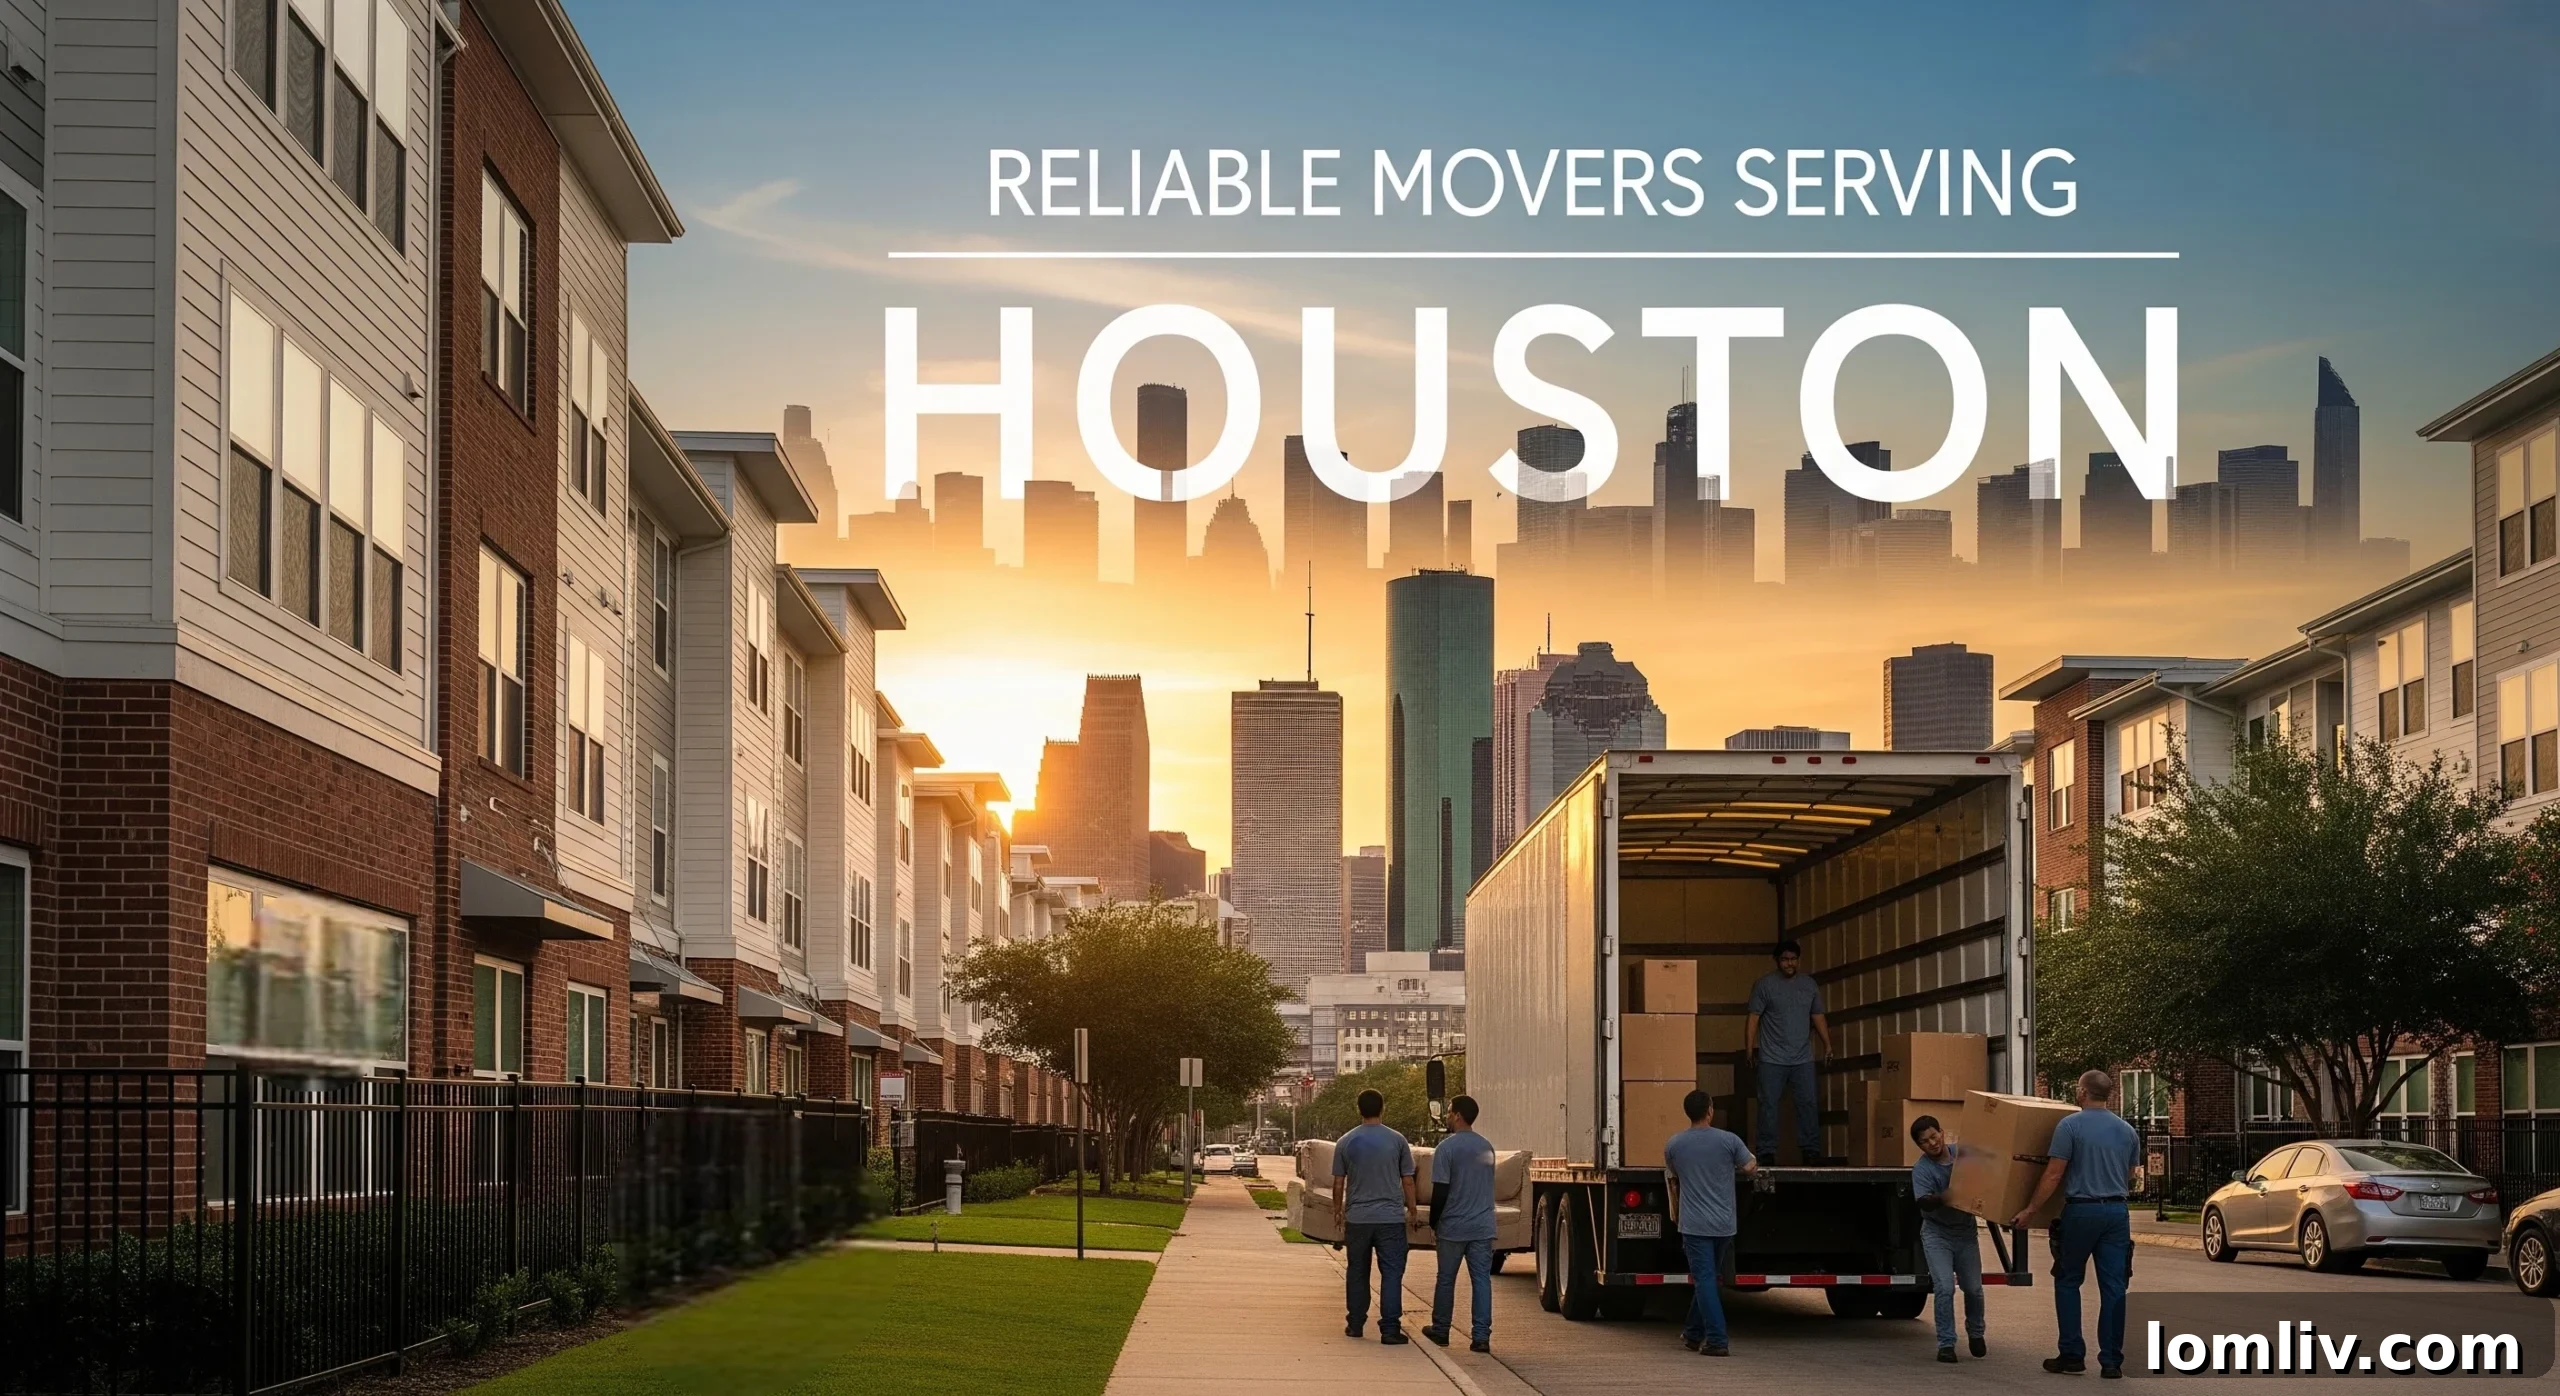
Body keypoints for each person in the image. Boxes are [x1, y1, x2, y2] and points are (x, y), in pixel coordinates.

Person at [2013, 1069, 2139, 1379]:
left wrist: (2030, 1210)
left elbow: (2054, 1174)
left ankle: (2071, 1354)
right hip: (2116, 1213)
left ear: (2083, 1092)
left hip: (2082, 1212)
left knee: (2068, 1280)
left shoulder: (2069, 1126)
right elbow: (2132, 1174)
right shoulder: (2127, 1131)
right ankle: (2111, 1361)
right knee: (2114, 1288)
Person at [1662, 1089, 1758, 1357]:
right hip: (1724, 1224)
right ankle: (1693, 1334)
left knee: (1704, 1280)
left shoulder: (1674, 1145)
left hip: (1694, 1225)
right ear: (1710, 1111)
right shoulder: (1729, 1141)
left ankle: (1716, 1339)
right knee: (1709, 1280)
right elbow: (1751, 1167)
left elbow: (1673, 1173)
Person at [1331, 1088, 1419, 1344]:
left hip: (1358, 1218)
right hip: (1390, 1219)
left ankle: (1356, 1323)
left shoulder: (1345, 1142)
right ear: (1383, 1108)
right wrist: (1411, 1209)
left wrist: (1338, 1211)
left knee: (1357, 1270)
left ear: (1359, 1109)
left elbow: (1338, 1183)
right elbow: (1408, 1180)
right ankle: (1390, 1329)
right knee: (1392, 1273)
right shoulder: (1397, 1141)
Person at [1744, 939, 1830, 1164]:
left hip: (1803, 1057)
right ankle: (1766, 1152)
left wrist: (1827, 1044)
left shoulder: (1809, 985)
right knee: (1768, 1104)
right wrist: (1749, 1049)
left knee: (1808, 1103)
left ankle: (1811, 1151)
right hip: (1772, 1058)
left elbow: (1817, 1016)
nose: (1789, 964)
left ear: (1799, 960)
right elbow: (1753, 1017)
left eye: (1793, 959)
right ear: (1777, 961)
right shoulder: (1764, 985)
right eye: (1784, 959)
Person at [1423, 1094, 1497, 1353]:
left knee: (1446, 1279)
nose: (1447, 1116)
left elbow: (1440, 1191)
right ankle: (1481, 1337)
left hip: (1453, 1226)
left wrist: (1433, 1222)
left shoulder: (1447, 1148)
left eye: (1450, 1111)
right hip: (1482, 1226)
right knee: (1481, 1280)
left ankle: (1441, 1330)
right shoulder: (1486, 1147)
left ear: (1457, 1115)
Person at [1910, 1114, 1986, 1363]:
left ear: (1942, 1132)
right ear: (1919, 1146)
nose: (1932, 1143)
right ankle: (1946, 1344)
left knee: (1974, 1289)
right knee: (1944, 1287)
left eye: (1934, 1136)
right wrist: (1952, 1194)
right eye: (1925, 1141)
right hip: (1937, 1233)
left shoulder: (1963, 1154)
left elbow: (1990, 1167)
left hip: (1965, 1232)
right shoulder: (1922, 1170)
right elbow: (1925, 1203)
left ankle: (1976, 1333)